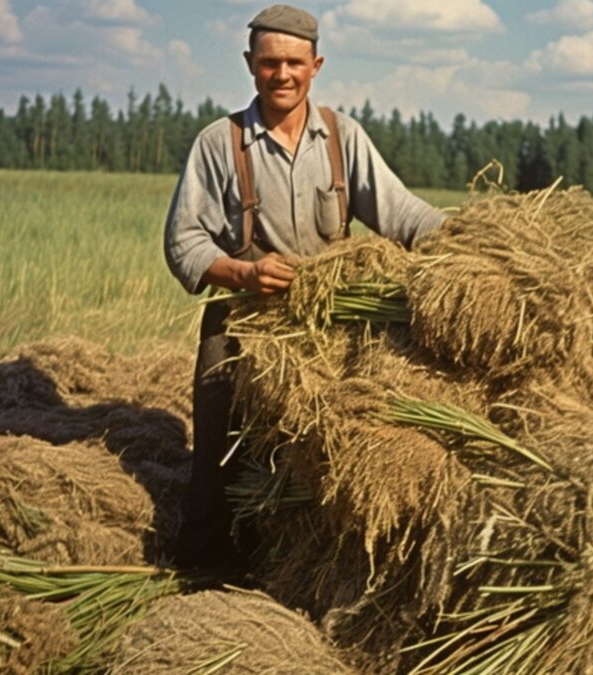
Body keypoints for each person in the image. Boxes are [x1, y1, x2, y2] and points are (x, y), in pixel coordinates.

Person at [164, 3, 447, 570]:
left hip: (329, 328)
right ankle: (205, 576)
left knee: (326, 462)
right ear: (250, 65)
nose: (282, 75)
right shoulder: (219, 144)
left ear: (316, 65)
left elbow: (402, 215)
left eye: (294, 63)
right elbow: (182, 243)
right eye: (270, 63)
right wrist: (245, 273)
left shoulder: (343, 138)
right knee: (219, 464)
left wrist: (468, 237)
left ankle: (308, 572)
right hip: (243, 325)